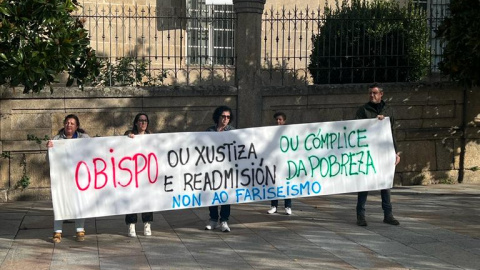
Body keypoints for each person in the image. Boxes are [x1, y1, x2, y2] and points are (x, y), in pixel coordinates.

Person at [355, 83, 401, 227]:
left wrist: (396, 152)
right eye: (370, 93)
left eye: (374, 93)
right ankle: (360, 215)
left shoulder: (389, 110)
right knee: (364, 184)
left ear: (381, 94)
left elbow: (393, 132)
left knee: (385, 185)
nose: (372, 95)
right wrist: (373, 122)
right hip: (368, 153)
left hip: (384, 152)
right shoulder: (363, 110)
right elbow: (357, 128)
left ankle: (388, 215)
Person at [46, 114, 90, 243]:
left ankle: (80, 230)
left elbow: (94, 151)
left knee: (79, 202)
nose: (69, 125)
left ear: (77, 126)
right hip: (62, 178)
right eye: (67, 123)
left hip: (79, 177)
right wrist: (49, 150)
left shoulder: (84, 138)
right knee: (59, 201)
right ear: (64, 124)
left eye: (72, 123)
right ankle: (57, 231)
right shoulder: (56, 139)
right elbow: (49, 161)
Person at [204, 106, 235, 232]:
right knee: (212, 194)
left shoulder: (233, 132)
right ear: (218, 117)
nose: (225, 119)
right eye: (223, 116)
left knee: (226, 195)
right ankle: (213, 219)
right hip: (212, 169)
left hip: (227, 170)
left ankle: (224, 220)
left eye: (228, 117)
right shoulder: (209, 131)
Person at [124, 113, 154, 237]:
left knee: (147, 199)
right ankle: (132, 225)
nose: (143, 123)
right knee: (132, 198)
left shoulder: (151, 136)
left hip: (146, 174)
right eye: (140, 120)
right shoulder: (129, 134)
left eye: (145, 121)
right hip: (132, 174)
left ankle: (147, 223)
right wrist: (127, 138)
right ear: (136, 122)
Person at [267, 112, 292, 215]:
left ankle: (288, 206)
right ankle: (274, 206)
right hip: (275, 163)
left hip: (287, 162)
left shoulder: (289, 131)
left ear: (284, 121)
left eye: (280, 119)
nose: (278, 121)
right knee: (275, 184)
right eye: (277, 119)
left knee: (287, 184)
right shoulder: (271, 132)